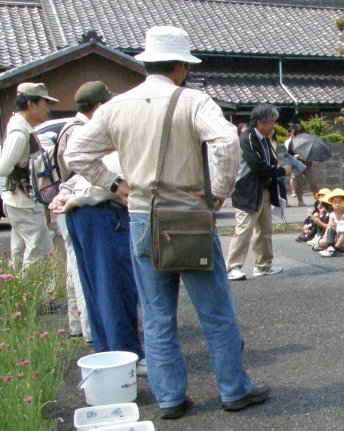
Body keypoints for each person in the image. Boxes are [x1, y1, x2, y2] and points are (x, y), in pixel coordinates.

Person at [65, 26, 267, 419]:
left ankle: (170, 398)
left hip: (142, 216)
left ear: (147, 63)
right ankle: (233, 390)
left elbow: (76, 153)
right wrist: (218, 191)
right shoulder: (193, 100)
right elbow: (226, 142)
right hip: (189, 216)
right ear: (180, 67)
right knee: (215, 312)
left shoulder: (116, 106)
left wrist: (115, 185)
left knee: (157, 317)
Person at [52, 81, 146, 365]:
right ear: (102, 106)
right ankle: (126, 356)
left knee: (96, 290)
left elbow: (79, 173)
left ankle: (107, 355)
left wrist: (67, 193)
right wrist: (77, 196)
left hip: (81, 213)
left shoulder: (77, 129)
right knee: (114, 289)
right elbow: (110, 180)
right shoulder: (108, 131)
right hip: (101, 214)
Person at [225, 104, 290, 281]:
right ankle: (232, 267)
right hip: (248, 190)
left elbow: (270, 163)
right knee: (244, 230)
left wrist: (281, 167)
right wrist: (281, 171)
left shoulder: (264, 139)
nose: (274, 126)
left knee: (264, 230)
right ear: (260, 122)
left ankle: (263, 265)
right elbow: (257, 166)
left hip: (264, 189)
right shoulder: (247, 138)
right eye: (272, 122)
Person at [0, 82, 57, 267]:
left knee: (21, 251)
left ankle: (17, 283)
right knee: (39, 253)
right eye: (45, 103)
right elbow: (3, 168)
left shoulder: (21, 127)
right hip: (24, 203)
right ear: (31, 104)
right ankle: (32, 286)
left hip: (21, 202)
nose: (48, 109)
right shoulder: (19, 133)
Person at [285, 123, 319, 206]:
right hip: (297, 163)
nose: (300, 134)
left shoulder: (308, 140)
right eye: (298, 133)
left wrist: (310, 158)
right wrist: (295, 156)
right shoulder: (292, 142)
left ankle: (318, 200)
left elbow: (312, 151)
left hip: (306, 163)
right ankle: (300, 201)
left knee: (313, 183)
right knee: (299, 183)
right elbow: (289, 154)